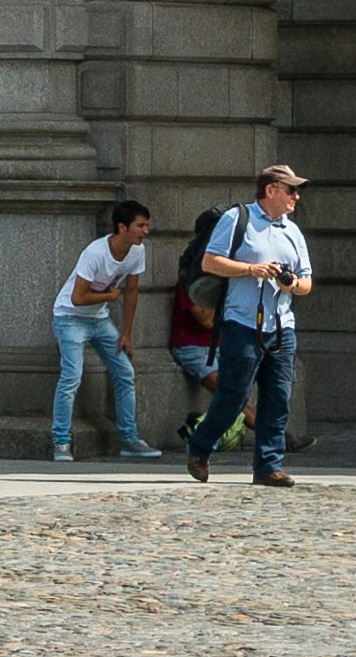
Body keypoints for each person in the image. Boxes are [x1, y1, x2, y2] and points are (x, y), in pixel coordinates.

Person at [178, 165, 312, 486]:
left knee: (278, 398)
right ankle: (200, 446)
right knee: (233, 396)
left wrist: (292, 284)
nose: (296, 196)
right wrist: (252, 270)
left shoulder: (291, 231)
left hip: (282, 328)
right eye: (290, 190)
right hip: (242, 324)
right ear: (271, 190)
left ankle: (268, 465)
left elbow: (307, 282)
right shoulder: (238, 219)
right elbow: (211, 262)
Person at [49, 196, 166, 462]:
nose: (145, 231)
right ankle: (61, 442)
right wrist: (108, 297)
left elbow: (132, 291)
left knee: (125, 372)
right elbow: (78, 298)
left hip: (100, 320)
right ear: (122, 227)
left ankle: (129, 439)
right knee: (72, 376)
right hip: (70, 317)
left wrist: (126, 333)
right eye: (140, 226)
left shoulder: (137, 251)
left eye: (146, 225)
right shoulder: (95, 252)